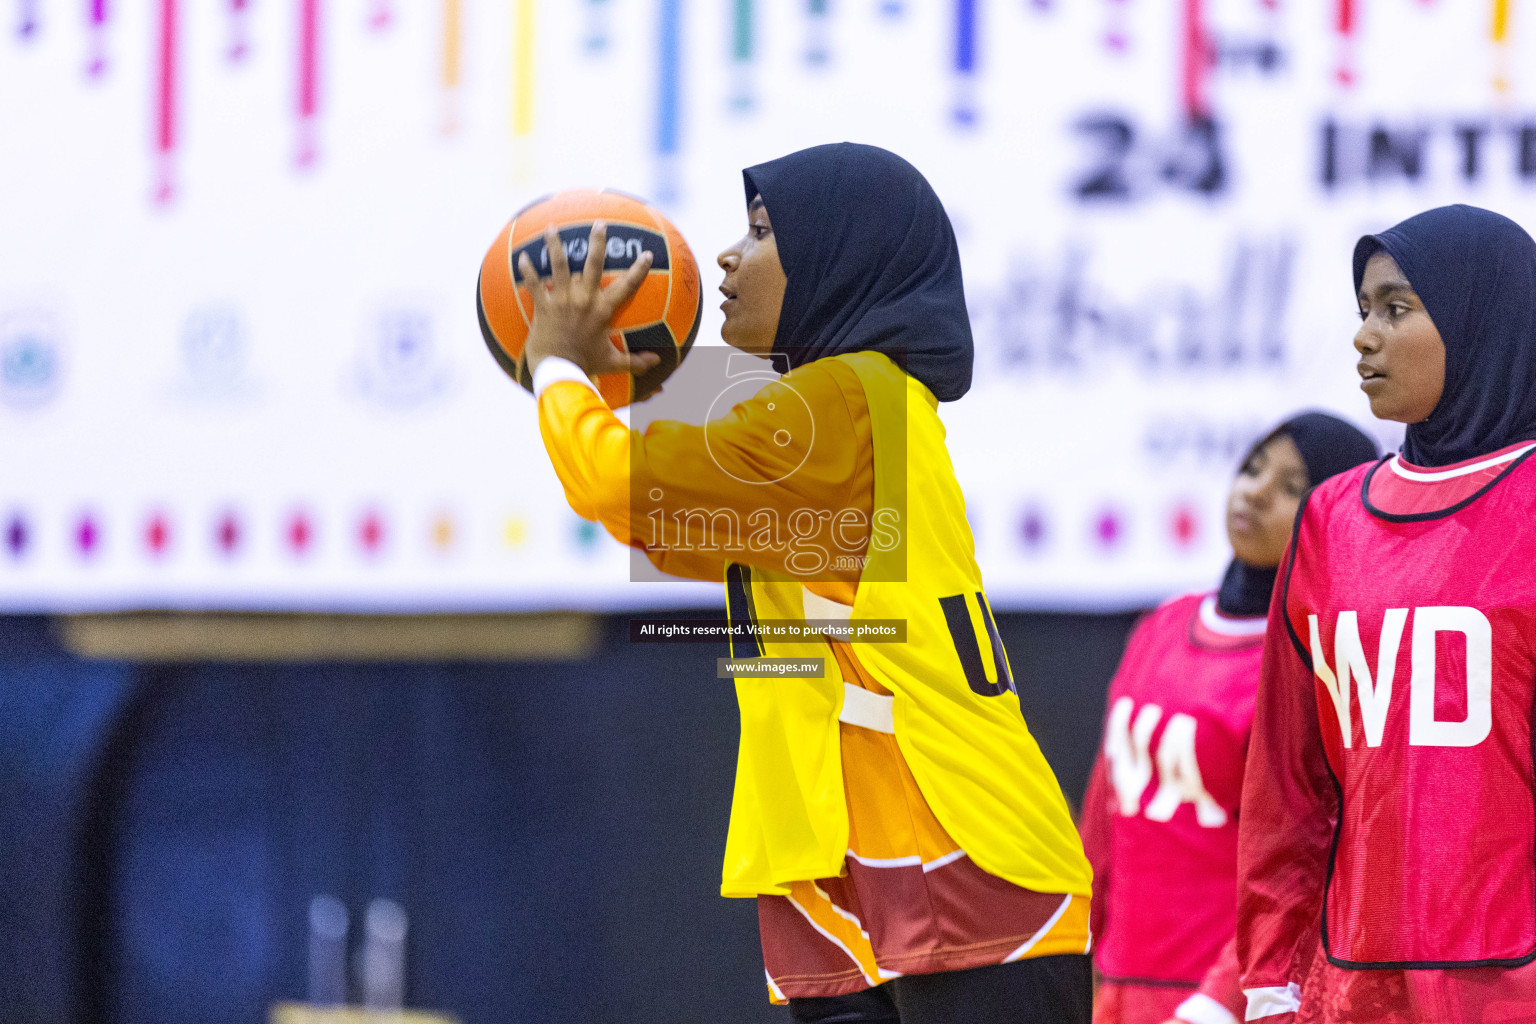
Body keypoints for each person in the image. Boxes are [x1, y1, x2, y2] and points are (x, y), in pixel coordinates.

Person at [518, 143, 1094, 1022]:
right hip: (846, 863)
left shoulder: (846, 398)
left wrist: (555, 366)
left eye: (758, 232)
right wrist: (604, 386)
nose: (725, 257)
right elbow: (659, 522)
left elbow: (615, 482)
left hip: (953, 852)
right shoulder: (840, 414)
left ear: (839, 258)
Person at [1237, 204, 1536, 1024]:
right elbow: (1289, 782)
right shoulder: (1331, 520)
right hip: (1353, 984)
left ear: (1484, 321)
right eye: (1363, 309)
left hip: (1511, 983)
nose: (1365, 336)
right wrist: (1271, 977)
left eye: (1397, 309)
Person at [1081, 414, 1377, 1024]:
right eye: (1252, 467)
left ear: (1334, 512)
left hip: (1219, 998)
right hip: (1112, 986)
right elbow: (1103, 816)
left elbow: (1309, 860)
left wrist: (1218, 1003)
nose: (1256, 491)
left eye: (1293, 486)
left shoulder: (1315, 660)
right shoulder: (1162, 623)